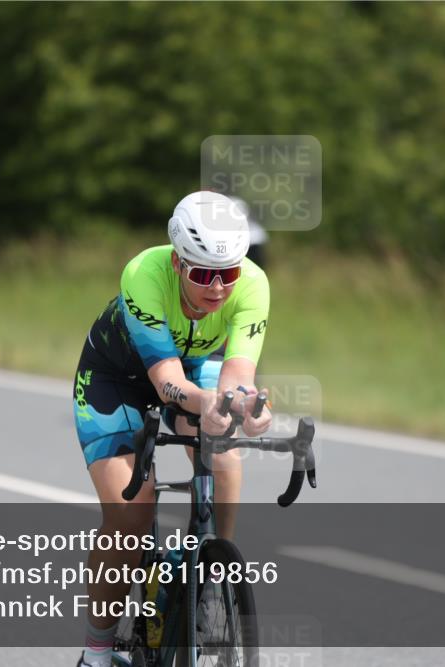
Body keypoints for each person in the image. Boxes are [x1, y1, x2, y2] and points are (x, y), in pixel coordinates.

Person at [71, 191, 272, 666]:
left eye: (229, 273)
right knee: (130, 516)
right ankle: (97, 652)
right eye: (204, 273)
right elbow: (166, 383)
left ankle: (213, 573)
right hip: (117, 378)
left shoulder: (254, 283)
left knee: (224, 454)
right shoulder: (144, 273)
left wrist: (248, 406)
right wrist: (209, 403)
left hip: (194, 365)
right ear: (179, 263)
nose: (219, 287)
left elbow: (237, 375)